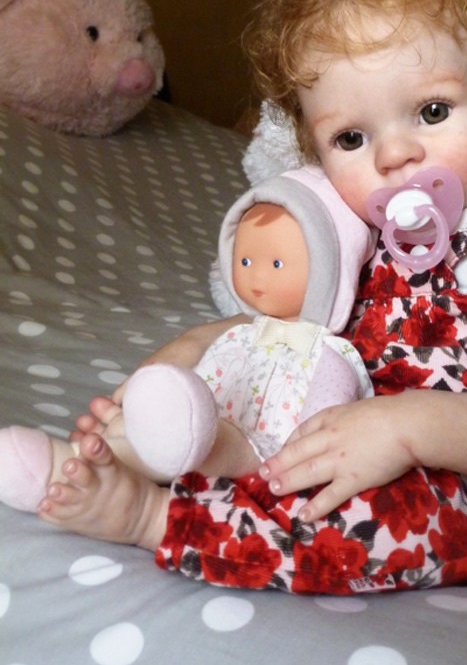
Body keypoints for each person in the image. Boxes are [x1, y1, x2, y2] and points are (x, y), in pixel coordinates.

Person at [1, 0, 467, 594]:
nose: (392, 154)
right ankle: (131, 448)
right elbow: (299, 325)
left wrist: (403, 430)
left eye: (431, 110)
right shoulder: (365, 231)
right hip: (341, 421)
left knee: (369, 515)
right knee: (248, 385)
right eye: (351, 137)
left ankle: (151, 514)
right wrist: (204, 347)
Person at [0, 166, 374, 498]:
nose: (256, 276)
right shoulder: (240, 335)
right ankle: (73, 461)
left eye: (276, 263)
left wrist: (303, 452)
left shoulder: (328, 356)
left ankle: (105, 458)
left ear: (328, 273)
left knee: (205, 441)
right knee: (150, 429)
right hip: (205, 426)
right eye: (245, 260)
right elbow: (210, 378)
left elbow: (326, 418)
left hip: (261, 454)